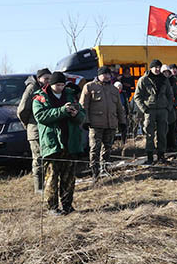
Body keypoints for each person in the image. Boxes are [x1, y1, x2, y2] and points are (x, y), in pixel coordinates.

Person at [33, 72, 87, 215]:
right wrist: (62, 111)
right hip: (52, 144)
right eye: (58, 85)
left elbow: (82, 115)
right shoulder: (40, 97)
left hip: (70, 142)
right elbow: (41, 116)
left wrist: (76, 114)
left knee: (69, 178)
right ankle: (52, 208)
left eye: (63, 85)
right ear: (51, 84)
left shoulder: (70, 95)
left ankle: (67, 205)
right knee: (51, 178)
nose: (60, 88)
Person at [80, 67, 127, 179]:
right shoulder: (89, 86)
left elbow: (119, 108)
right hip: (95, 124)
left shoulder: (114, 89)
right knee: (95, 148)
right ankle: (94, 171)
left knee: (108, 148)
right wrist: (85, 121)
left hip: (111, 124)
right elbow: (83, 105)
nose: (106, 76)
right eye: (104, 74)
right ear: (99, 75)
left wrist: (122, 122)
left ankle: (104, 169)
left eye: (108, 74)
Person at [134, 60, 177, 164]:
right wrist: (144, 109)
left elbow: (170, 95)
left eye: (159, 67)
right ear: (151, 68)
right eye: (155, 67)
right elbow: (137, 96)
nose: (157, 69)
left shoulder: (164, 80)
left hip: (163, 110)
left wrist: (168, 107)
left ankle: (161, 156)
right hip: (150, 110)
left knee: (162, 133)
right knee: (149, 134)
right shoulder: (143, 80)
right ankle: (149, 156)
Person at [17, 67, 51, 193]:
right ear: (39, 79)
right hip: (35, 130)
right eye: (45, 78)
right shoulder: (32, 89)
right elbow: (22, 110)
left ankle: (48, 184)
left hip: (47, 129)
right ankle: (39, 188)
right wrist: (29, 125)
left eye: (49, 78)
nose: (48, 81)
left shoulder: (48, 89)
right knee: (38, 159)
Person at [162, 63, 177, 152]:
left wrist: (174, 105)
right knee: (162, 129)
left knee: (172, 127)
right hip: (161, 108)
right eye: (164, 72)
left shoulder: (173, 82)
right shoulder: (159, 82)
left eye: (167, 72)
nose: (166, 74)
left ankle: (172, 146)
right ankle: (163, 146)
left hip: (171, 109)